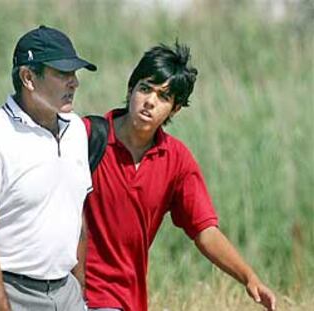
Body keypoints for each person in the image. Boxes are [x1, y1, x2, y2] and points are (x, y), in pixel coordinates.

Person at [83, 41, 276, 311]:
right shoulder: (86, 136)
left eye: (163, 97)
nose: (150, 101)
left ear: (175, 109)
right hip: (72, 292)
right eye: (145, 88)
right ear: (131, 89)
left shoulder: (175, 160)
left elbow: (204, 230)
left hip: (126, 298)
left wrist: (248, 277)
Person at [0, 25, 96, 311]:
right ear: (28, 77)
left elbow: (76, 216)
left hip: (65, 293)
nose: (74, 83)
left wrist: (78, 289)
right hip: (5, 292)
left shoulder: (77, 130)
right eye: (62, 74)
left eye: (75, 74)